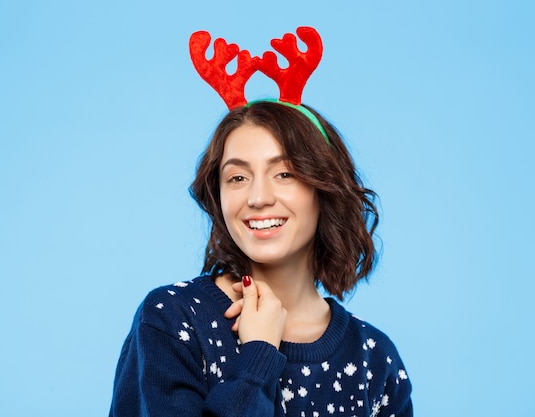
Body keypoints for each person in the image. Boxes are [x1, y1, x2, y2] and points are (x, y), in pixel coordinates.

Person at [108, 100, 413, 416]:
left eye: (284, 173)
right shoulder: (172, 320)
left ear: (325, 187)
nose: (258, 198)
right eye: (238, 178)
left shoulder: (375, 359)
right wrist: (258, 358)